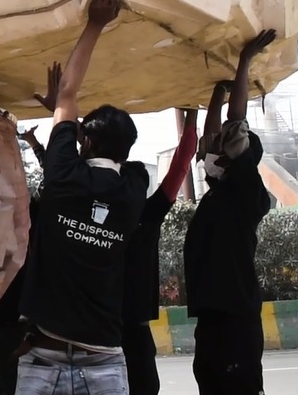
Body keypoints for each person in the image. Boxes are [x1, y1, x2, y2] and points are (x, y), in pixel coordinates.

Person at [15, 0, 150, 395]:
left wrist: (94, 24)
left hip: (44, 359)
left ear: (83, 141)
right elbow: (71, 104)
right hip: (106, 361)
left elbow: (69, 93)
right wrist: (64, 117)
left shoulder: (63, 177)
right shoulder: (133, 187)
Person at [183, 29, 276, 395]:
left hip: (233, 316)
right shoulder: (221, 188)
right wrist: (216, 92)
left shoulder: (246, 192)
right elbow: (212, 135)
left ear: (237, 157)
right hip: (214, 314)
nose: (214, 147)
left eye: (225, 143)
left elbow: (234, 123)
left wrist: (245, 61)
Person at [0, 64, 61, 395]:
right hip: (15, 318)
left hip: (24, 319)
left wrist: (35, 146)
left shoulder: (28, 211)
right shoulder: (3, 211)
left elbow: (57, 180)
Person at [122, 108, 199, 395]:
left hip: (100, 328)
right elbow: (181, 164)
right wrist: (191, 114)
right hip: (137, 327)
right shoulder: (150, 211)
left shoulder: (102, 212)